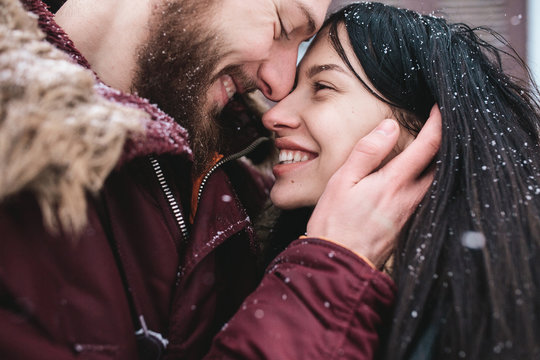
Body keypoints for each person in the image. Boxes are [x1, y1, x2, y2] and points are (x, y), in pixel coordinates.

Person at [0, 0, 440, 359]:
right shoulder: (12, 172)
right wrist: (332, 271)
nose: (277, 84)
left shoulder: (246, 193)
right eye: (282, 25)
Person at [262, 2, 540, 359]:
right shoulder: (275, 252)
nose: (276, 115)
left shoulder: (490, 314)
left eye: (322, 87)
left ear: (424, 130)